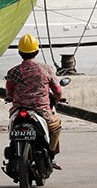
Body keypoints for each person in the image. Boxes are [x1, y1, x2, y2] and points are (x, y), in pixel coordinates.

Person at [5, 34, 63, 170]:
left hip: (18, 110)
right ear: (36, 52)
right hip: (41, 111)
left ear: (20, 52)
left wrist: (10, 97)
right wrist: (59, 98)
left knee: (12, 128)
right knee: (56, 126)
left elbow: (8, 93)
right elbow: (58, 91)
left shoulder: (13, 72)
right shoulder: (46, 69)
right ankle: (51, 154)